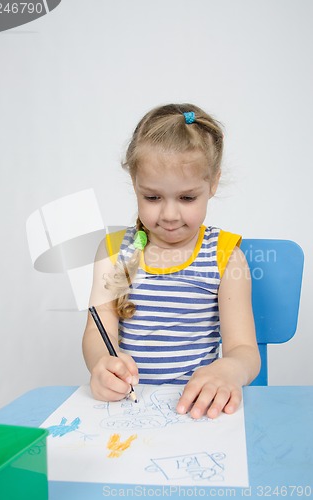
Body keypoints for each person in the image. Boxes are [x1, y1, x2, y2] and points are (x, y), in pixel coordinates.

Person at [82, 103, 260, 419]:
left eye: (187, 198)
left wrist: (230, 369)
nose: (169, 215)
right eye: (152, 197)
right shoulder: (115, 253)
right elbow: (99, 336)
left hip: (200, 412)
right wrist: (101, 365)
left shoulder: (225, 256)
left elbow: (244, 351)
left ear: (213, 183)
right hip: (127, 414)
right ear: (134, 183)